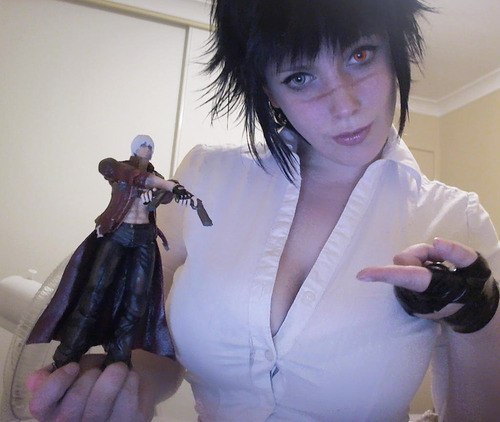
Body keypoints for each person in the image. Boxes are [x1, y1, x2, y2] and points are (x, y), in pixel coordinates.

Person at [27, 1, 500, 421]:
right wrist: (126, 391)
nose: (345, 106)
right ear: (270, 92)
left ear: (393, 49)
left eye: (360, 55)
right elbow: (153, 344)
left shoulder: (455, 219)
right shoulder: (206, 176)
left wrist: (476, 316)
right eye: (300, 77)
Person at [26, 135, 194, 369]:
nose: (147, 149)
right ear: (134, 148)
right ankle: (68, 353)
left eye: (150, 146)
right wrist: (168, 185)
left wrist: (168, 190)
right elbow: (134, 176)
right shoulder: (116, 168)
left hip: (144, 239)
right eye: (143, 145)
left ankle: (119, 356)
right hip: (117, 234)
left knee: (137, 300)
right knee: (95, 291)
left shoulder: (157, 179)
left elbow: (164, 192)